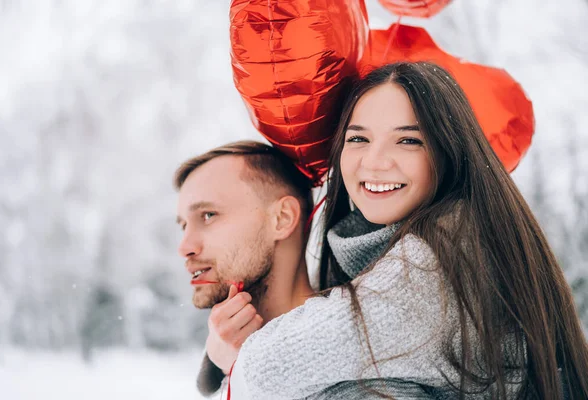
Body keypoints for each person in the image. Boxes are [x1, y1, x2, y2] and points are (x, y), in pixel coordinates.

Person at [228, 62, 588, 399]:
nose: (375, 161)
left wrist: (224, 357)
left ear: (448, 150)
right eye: (358, 139)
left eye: (408, 140)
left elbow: (266, 367)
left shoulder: (433, 262)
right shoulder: (468, 235)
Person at [174, 141, 315, 396]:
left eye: (208, 215)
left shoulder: (357, 370)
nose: (184, 247)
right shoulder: (222, 361)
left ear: (282, 218)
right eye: (184, 225)